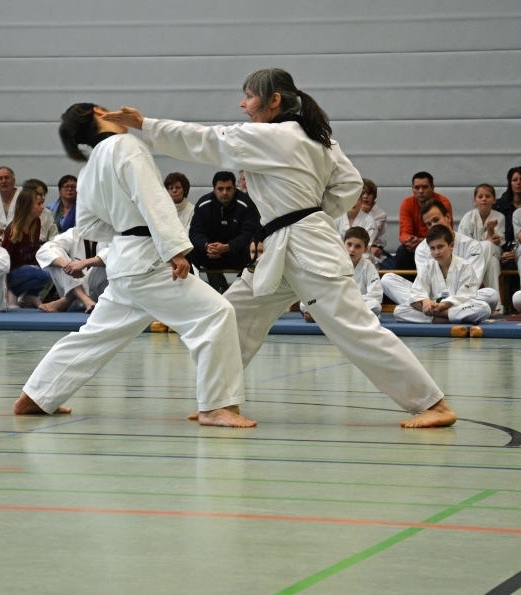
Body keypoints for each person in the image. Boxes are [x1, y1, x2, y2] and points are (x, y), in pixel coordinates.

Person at [105, 67, 456, 428]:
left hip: (307, 248)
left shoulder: (274, 136)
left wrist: (145, 124)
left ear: (274, 100)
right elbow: (349, 184)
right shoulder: (318, 139)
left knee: (355, 328)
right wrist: (315, 211)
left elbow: (207, 140)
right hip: (284, 247)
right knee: (233, 316)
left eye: (249, 97)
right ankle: (218, 403)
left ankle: (433, 403)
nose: (243, 104)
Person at [14, 102, 256, 429]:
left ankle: (36, 396)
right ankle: (215, 407)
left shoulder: (90, 168)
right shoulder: (126, 146)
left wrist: (126, 229)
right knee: (217, 314)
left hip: (125, 259)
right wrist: (174, 249)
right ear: (99, 113)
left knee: (96, 336)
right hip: (147, 260)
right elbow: (152, 200)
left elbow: (89, 225)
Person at [382, 199, 499, 313]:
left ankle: (432, 314)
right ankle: (451, 314)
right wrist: (428, 301)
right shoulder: (422, 249)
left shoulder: (471, 246)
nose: (433, 225)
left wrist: (447, 302)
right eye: (429, 224)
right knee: (387, 280)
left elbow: (473, 283)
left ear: (448, 217)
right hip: (432, 299)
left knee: (490, 295)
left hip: (461, 298)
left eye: (436, 220)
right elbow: (423, 283)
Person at [394, 225, 491, 325]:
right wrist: (425, 301)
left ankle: (438, 317)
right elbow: (417, 292)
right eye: (432, 248)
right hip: (433, 307)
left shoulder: (464, 266)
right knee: (399, 310)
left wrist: (442, 306)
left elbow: (465, 295)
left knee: (483, 308)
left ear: (451, 246)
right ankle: (448, 319)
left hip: (455, 307)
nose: (436, 252)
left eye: (440, 247)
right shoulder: (427, 267)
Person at [188, 170, 260, 291]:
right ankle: (193, 290)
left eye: (228, 188)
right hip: (210, 254)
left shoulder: (247, 204)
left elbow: (249, 233)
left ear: (235, 188)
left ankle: (245, 290)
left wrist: (228, 247)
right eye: (220, 189)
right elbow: (195, 232)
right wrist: (206, 246)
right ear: (214, 189)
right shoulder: (203, 204)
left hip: (236, 255)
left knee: (255, 250)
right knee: (188, 251)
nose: (224, 192)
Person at [301, 226, 381, 321]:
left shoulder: (369, 267)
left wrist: (345, 301)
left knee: (375, 305)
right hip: (333, 303)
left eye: (358, 246)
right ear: (343, 244)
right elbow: (320, 291)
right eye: (349, 244)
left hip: (356, 305)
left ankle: (324, 317)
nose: (352, 249)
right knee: (305, 303)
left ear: (365, 249)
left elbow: (376, 295)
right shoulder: (333, 263)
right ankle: (343, 318)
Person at [1, 188, 56, 308]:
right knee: (44, 275)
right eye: (38, 204)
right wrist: (3, 289)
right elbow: (3, 260)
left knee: (52, 270)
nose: (42, 207)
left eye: (42, 203)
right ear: (27, 206)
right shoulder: (13, 231)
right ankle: (13, 292)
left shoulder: (36, 222)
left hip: (27, 267)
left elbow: (33, 249)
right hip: (11, 272)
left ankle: (30, 295)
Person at [35, 227, 108, 313]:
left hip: (100, 298)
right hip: (73, 295)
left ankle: (68, 299)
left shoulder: (111, 233)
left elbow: (115, 254)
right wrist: (67, 265)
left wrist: (84, 263)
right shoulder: (74, 233)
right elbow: (43, 251)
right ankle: (84, 299)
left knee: (109, 260)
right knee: (54, 256)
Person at [394, 171, 453, 271]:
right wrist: (410, 240)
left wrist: (423, 241)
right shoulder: (407, 204)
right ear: (412, 189)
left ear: (432, 188)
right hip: (415, 246)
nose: (421, 191)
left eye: (425, 187)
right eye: (417, 188)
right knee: (402, 251)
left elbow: (446, 230)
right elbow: (404, 233)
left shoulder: (443, 202)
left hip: (438, 243)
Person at [492, 166, 521, 259]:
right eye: (514, 180)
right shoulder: (498, 206)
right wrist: (503, 253)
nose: (518, 183)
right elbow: (497, 234)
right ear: (510, 183)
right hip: (502, 251)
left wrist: (515, 251)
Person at [360, 178, 388, 260]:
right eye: (362, 193)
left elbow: (367, 235)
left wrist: (363, 214)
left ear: (374, 196)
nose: (365, 196)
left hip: (373, 246)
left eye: (369, 194)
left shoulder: (381, 215)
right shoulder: (350, 210)